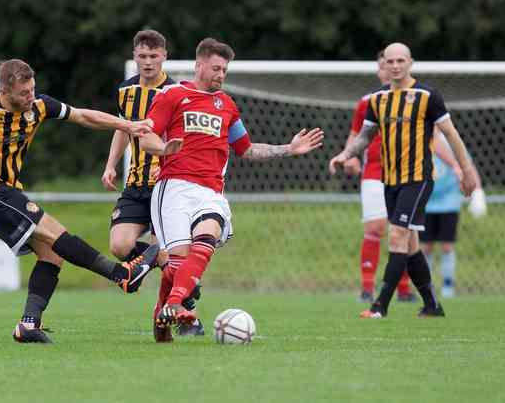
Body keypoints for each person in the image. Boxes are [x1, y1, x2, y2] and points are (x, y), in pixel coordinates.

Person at [0, 58, 158, 344]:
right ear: (5, 91)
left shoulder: (38, 105)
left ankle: (28, 324)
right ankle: (121, 275)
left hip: (8, 191)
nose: (31, 97)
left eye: (33, 90)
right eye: (24, 93)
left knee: (52, 253)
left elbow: (83, 116)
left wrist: (127, 126)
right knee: (54, 231)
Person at [140, 38, 325, 342]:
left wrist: (288, 149)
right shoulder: (173, 95)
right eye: (216, 68)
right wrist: (163, 147)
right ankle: (162, 315)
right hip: (173, 188)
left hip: (211, 192)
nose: (221, 74)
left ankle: (174, 305)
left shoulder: (226, 104)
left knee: (207, 239)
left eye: (225, 69)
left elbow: (247, 149)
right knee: (176, 266)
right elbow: (145, 137)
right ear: (199, 65)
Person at [330, 42, 478, 319]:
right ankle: (432, 305)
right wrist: (346, 154)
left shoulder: (427, 95)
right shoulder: (378, 99)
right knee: (410, 243)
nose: (395, 65)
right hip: (390, 179)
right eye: (390, 61)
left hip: (419, 178)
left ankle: (379, 306)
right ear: (384, 64)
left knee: (397, 234)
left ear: (410, 63)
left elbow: (450, 133)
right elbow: (365, 135)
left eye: (401, 60)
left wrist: (466, 170)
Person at [101, 29, 204, 336]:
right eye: (142, 56)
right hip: (135, 184)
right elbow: (122, 128)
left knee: (173, 252)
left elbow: (183, 139)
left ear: (164, 57)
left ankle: (187, 316)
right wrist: (110, 165)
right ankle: (178, 277)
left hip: (167, 185)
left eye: (153, 56)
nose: (148, 62)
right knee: (120, 246)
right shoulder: (126, 91)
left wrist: (173, 163)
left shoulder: (175, 92)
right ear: (135, 57)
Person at [343, 51, 415, 303]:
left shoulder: (413, 100)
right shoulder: (368, 102)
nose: (389, 69)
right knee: (375, 228)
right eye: (384, 65)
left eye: (394, 64)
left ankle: (405, 289)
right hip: (374, 172)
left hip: (406, 173)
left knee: (403, 229)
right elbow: (355, 134)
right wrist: (349, 156)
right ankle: (366, 287)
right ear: (379, 70)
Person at [420, 130, 486, 298]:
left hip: (449, 202)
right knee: (425, 247)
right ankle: (426, 286)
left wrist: (478, 193)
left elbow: (468, 167)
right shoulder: (421, 140)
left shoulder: (453, 143)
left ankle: (448, 284)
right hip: (426, 202)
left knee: (446, 245)